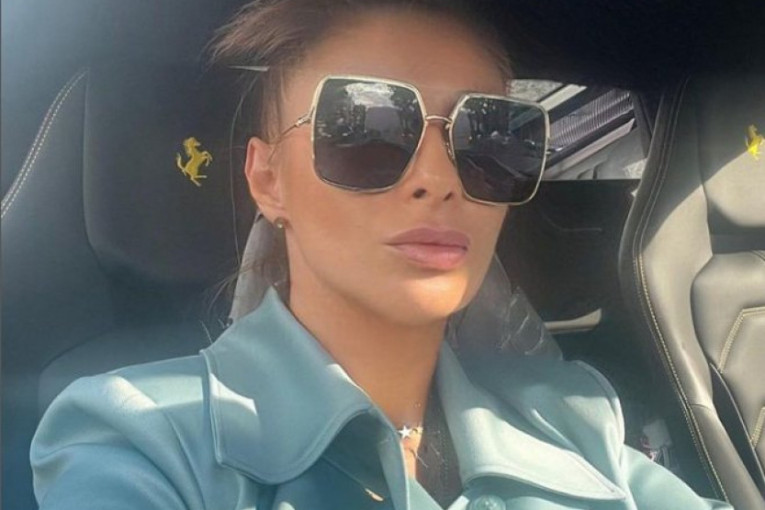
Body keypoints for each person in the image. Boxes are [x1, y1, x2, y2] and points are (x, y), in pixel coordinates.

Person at [30, 0, 733, 508]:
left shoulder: (578, 418)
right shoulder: (140, 437)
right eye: (365, 129)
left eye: (489, 135)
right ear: (268, 181)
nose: (439, 178)